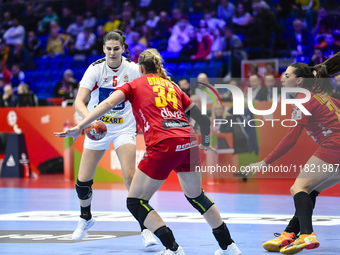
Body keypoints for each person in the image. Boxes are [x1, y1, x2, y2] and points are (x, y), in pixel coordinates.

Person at [55, 48, 242, 255]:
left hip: (164, 143)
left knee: (135, 202)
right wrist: (205, 142)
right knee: (197, 196)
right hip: (188, 141)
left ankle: (173, 248)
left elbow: (107, 103)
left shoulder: (133, 84)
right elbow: (203, 119)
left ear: (140, 68)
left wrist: (80, 126)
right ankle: (229, 246)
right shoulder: (172, 86)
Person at [58, 29, 158, 247]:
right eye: (109, 49)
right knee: (82, 182)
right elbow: (79, 102)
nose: (112, 52)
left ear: (123, 48)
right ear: (103, 49)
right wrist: (90, 121)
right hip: (98, 128)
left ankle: (144, 229)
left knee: (131, 178)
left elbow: (148, 96)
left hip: (124, 128)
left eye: (116, 48)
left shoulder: (133, 70)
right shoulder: (95, 69)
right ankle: (86, 218)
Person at [245, 52, 340, 254]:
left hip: (334, 148)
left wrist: (264, 162)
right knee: (309, 190)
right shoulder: (326, 98)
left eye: (287, 75)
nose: (283, 77)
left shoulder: (304, 100)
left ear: (299, 80)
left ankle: (307, 235)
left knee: (299, 188)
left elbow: (291, 138)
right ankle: (289, 233)